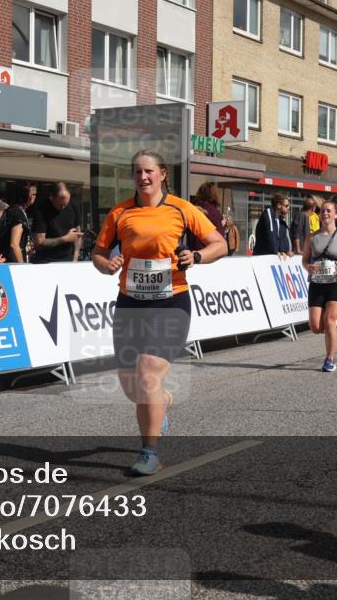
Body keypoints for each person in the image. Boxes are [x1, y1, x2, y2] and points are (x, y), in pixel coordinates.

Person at [91, 149, 226, 476]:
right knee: (132, 387)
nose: (143, 177)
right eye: (137, 172)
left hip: (170, 302)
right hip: (129, 304)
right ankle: (161, 400)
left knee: (147, 372)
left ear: (163, 174)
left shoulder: (182, 208)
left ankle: (149, 452)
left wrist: (196, 256)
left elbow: (218, 244)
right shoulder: (120, 212)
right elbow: (97, 253)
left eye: (149, 171)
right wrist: (106, 265)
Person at [302, 201, 337, 373]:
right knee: (315, 327)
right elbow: (304, 260)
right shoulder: (311, 238)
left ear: (336, 214)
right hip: (317, 284)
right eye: (322, 211)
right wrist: (308, 267)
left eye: (329, 211)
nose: (325, 214)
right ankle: (330, 331)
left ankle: (329, 359)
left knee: (329, 321)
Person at [31, 182, 83, 263]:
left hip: (68, 260)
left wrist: (75, 258)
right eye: (60, 204)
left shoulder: (74, 205)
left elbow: (78, 235)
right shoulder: (41, 209)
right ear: (52, 198)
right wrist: (65, 239)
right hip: (46, 261)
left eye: (66, 204)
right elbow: (39, 242)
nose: (63, 207)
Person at [0, 183, 35, 263]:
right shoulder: (17, 214)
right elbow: (14, 245)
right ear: (29, 196)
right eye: (34, 194)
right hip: (10, 264)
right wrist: (22, 267)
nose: (35, 196)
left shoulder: (12, 210)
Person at [252, 192, 293, 257]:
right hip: (262, 257)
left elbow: (279, 238)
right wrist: (276, 252)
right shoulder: (268, 213)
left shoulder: (278, 219)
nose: (288, 208)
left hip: (270, 257)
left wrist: (283, 251)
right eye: (286, 206)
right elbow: (271, 235)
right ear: (279, 205)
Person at [190, 182, 225, 251]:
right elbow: (220, 239)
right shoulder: (215, 213)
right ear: (214, 195)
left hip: (191, 252)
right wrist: (223, 226)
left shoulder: (192, 209)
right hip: (208, 253)